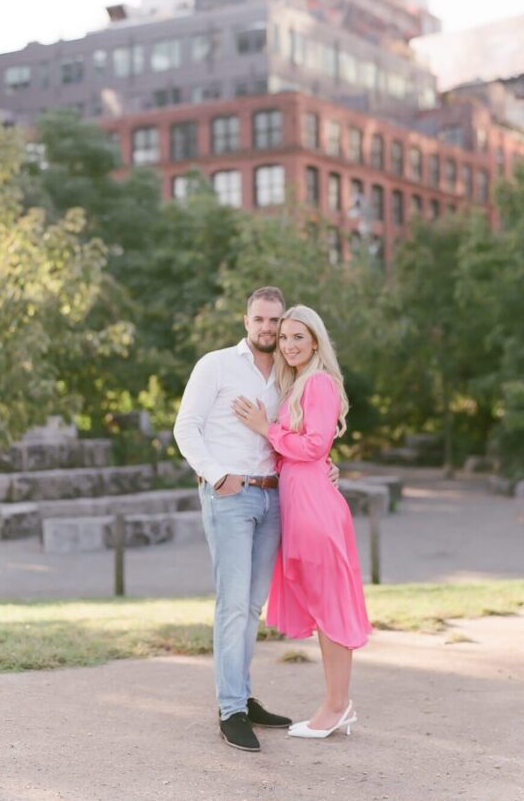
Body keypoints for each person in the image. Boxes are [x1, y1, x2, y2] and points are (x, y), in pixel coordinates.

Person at [232, 304, 372, 740]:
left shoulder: (319, 383)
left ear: (315, 342)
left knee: (331, 608)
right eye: (284, 337)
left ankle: (336, 707)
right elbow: (311, 451)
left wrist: (265, 428)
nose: (289, 345)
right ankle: (335, 704)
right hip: (301, 502)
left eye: (298, 337)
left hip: (314, 510)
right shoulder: (297, 385)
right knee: (323, 606)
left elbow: (313, 445)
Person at [173, 286, 292, 753]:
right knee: (233, 604)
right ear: (246, 321)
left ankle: (241, 696)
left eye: (275, 321)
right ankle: (230, 711)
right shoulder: (216, 365)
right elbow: (186, 426)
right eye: (259, 319)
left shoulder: (288, 374)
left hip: (273, 498)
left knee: (252, 605)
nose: (267, 327)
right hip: (231, 496)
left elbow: (294, 433)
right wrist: (217, 475)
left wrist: (325, 465)